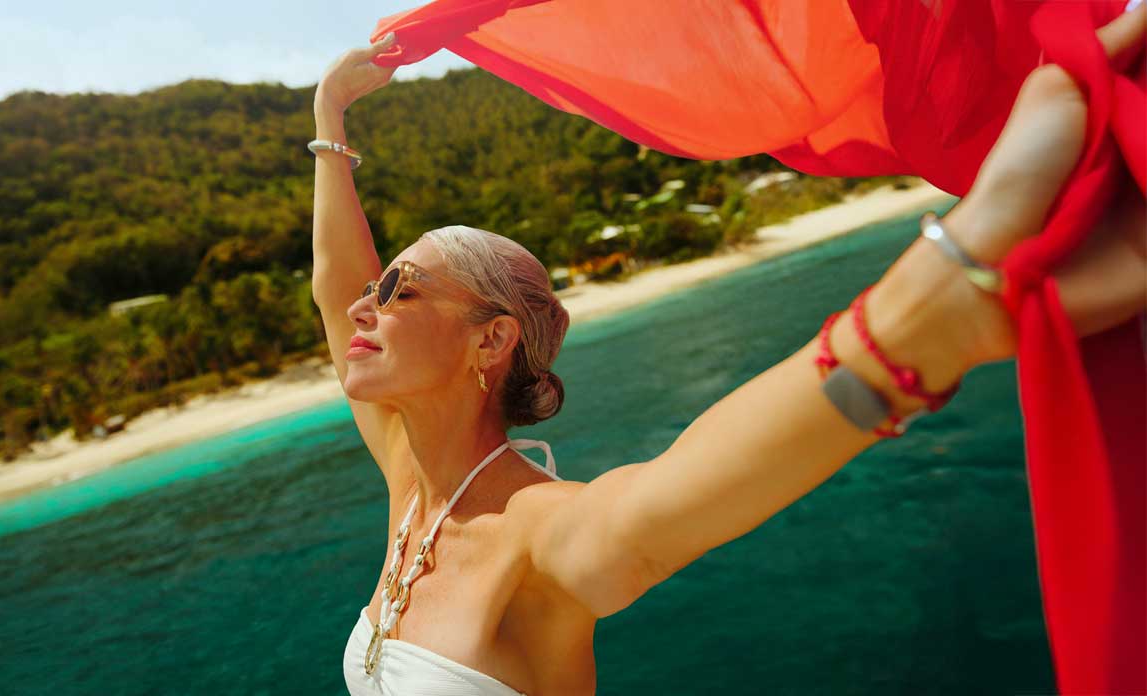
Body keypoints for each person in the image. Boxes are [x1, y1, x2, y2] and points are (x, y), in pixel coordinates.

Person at [309, 10, 1147, 695]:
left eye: (400, 289)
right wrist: (328, 119)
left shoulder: (535, 537)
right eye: (380, 286)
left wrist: (939, 312)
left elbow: (672, 498)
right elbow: (333, 284)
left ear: (490, 340)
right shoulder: (412, 488)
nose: (362, 303)